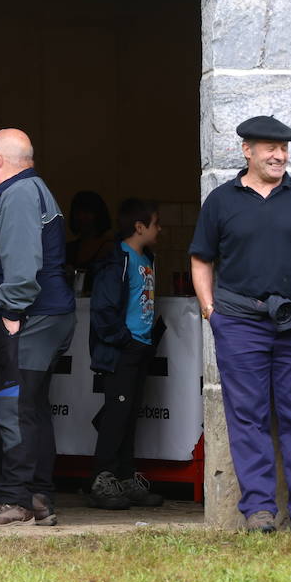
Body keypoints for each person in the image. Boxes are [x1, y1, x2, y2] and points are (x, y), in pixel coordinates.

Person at [189, 115, 291, 535]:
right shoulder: (221, 200)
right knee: (248, 417)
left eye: (285, 149)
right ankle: (258, 510)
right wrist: (211, 313)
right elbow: (201, 259)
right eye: (270, 148)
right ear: (247, 151)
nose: (279, 155)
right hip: (239, 323)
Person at [0, 128, 76, 527]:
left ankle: (16, 500)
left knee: (12, 405)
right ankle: (38, 495)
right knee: (32, 408)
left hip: (31, 318)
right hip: (48, 315)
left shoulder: (17, 195)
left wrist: (11, 312)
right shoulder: (35, 189)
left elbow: (22, 260)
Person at [85, 197, 166, 510]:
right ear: (139, 226)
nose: (160, 229)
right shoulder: (117, 259)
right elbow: (103, 309)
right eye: (156, 223)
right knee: (115, 415)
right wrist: (124, 340)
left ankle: (125, 476)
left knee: (130, 416)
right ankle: (101, 478)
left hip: (140, 349)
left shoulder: (148, 258)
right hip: (123, 350)